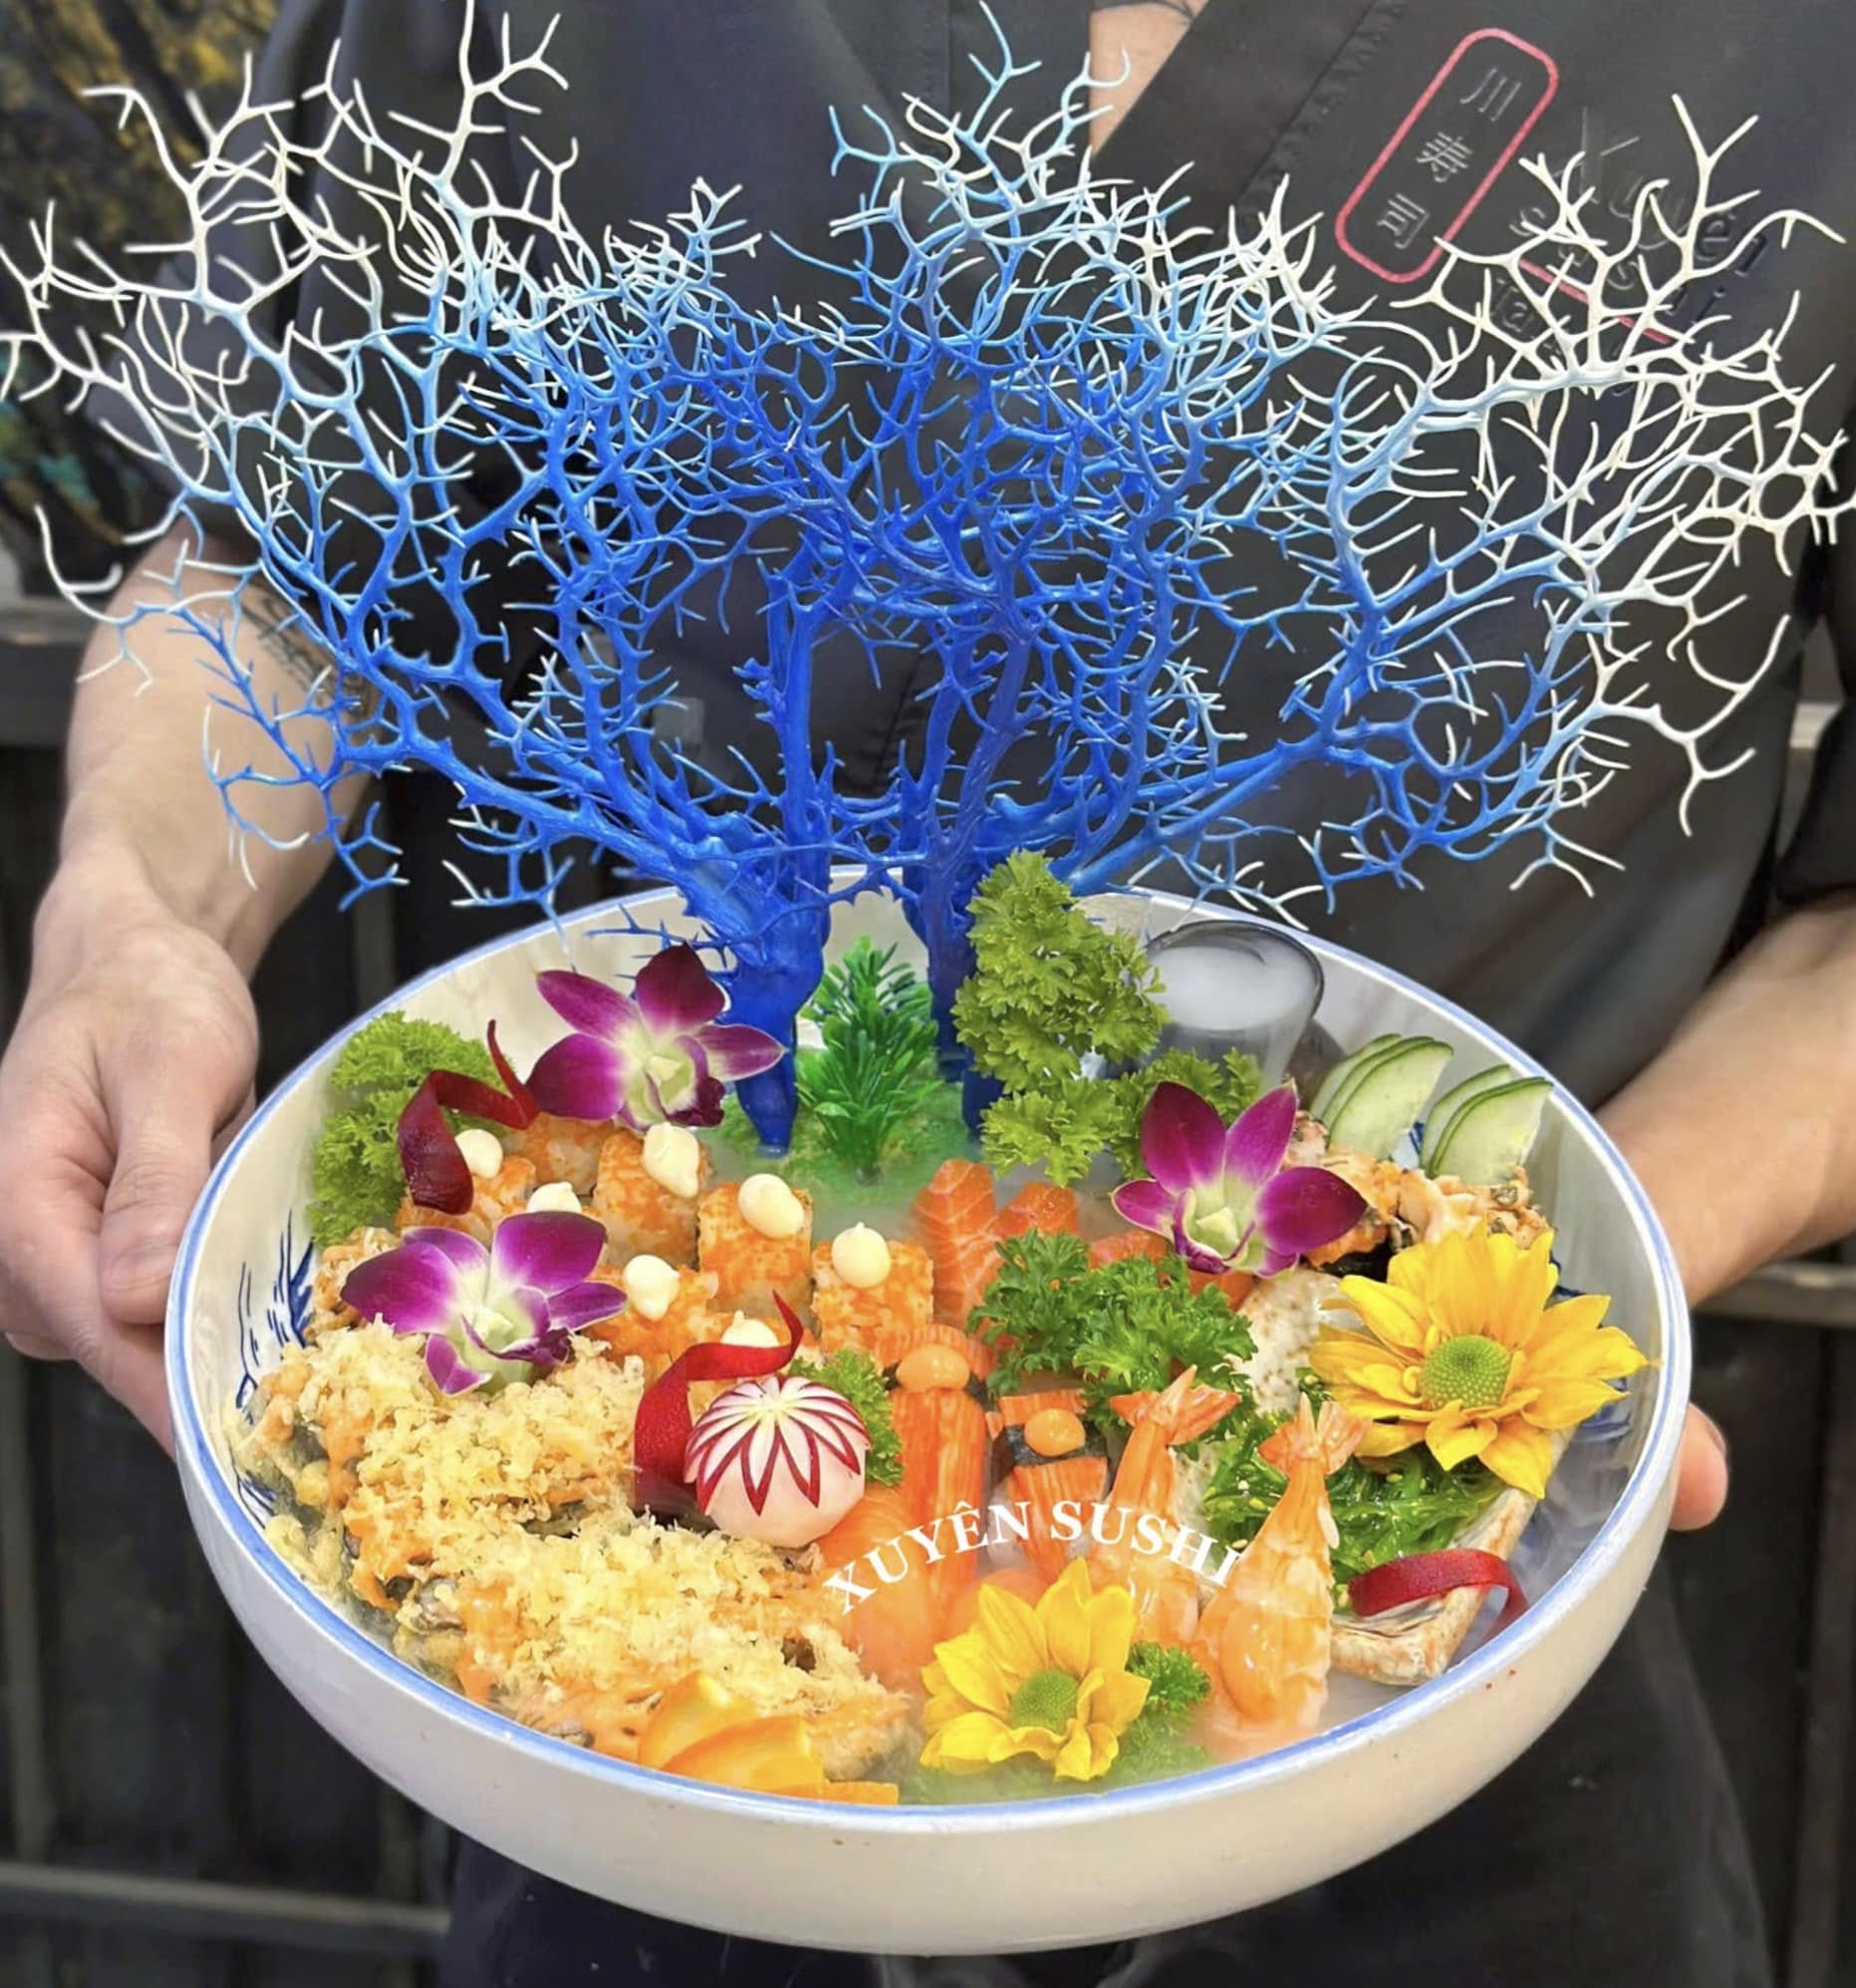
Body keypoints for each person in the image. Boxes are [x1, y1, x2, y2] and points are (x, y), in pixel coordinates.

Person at [4, 0, 1855, 1980]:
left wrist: (1570, 1297)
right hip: (654, 1695)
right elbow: (280, 567)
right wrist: (134, 913)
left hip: (1435, 1666)